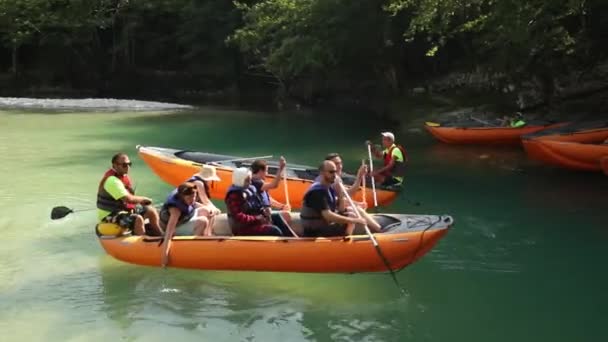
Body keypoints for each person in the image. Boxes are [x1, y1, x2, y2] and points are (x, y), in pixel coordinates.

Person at [300, 160, 380, 237]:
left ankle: (346, 238)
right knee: (352, 218)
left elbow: (340, 210)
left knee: (351, 214)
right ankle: (344, 242)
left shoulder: (328, 187)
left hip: (324, 223)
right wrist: (355, 220)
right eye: (331, 172)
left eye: (335, 172)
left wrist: (340, 194)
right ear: (322, 173)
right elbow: (328, 215)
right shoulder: (317, 192)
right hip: (315, 230)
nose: (334, 175)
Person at [96, 153, 163, 236]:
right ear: (115, 166)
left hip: (122, 211)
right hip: (109, 215)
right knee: (137, 219)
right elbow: (128, 199)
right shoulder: (112, 181)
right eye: (124, 165)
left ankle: (160, 235)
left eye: (129, 164)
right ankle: (143, 242)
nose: (128, 167)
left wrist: (141, 203)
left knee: (150, 210)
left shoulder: (122, 177)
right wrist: (143, 199)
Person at [224, 167, 288, 236]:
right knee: (274, 230)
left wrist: (264, 212)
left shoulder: (249, 190)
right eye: (247, 180)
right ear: (240, 180)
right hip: (243, 228)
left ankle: (292, 240)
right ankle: (284, 244)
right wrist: (256, 218)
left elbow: (256, 207)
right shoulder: (234, 195)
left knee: (276, 217)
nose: (250, 182)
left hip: (253, 222)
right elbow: (238, 217)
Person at [160, 182, 210, 266]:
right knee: (203, 221)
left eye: (194, 196)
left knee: (205, 210)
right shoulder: (175, 210)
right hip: (174, 227)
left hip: (184, 220)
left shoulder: (187, 196)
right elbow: (169, 232)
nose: (193, 200)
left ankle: (206, 235)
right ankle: (193, 247)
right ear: (182, 197)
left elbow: (193, 205)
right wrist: (165, 255)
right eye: (189, 198)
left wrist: (210, 209)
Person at [250, 158, 294, 234]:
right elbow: (274, 185)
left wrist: (282, 206)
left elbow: (267, 199)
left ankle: (291, 239)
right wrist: (281, 168)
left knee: (286, 215)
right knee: (286, 216)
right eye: (266, 171)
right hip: (261, 214)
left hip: (266, 213)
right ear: (260, 171)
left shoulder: (260, 182)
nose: (267, 173)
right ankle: (288, 240)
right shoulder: (255, 182)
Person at [184, 164, 223, 235]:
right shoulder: (198, 183)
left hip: (191, 204)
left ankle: (207, 231)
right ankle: (208, 233)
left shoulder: (196, 180)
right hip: (188, 205)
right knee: (211, 211)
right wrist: (215, 209)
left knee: (211, 209)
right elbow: (205, 200)